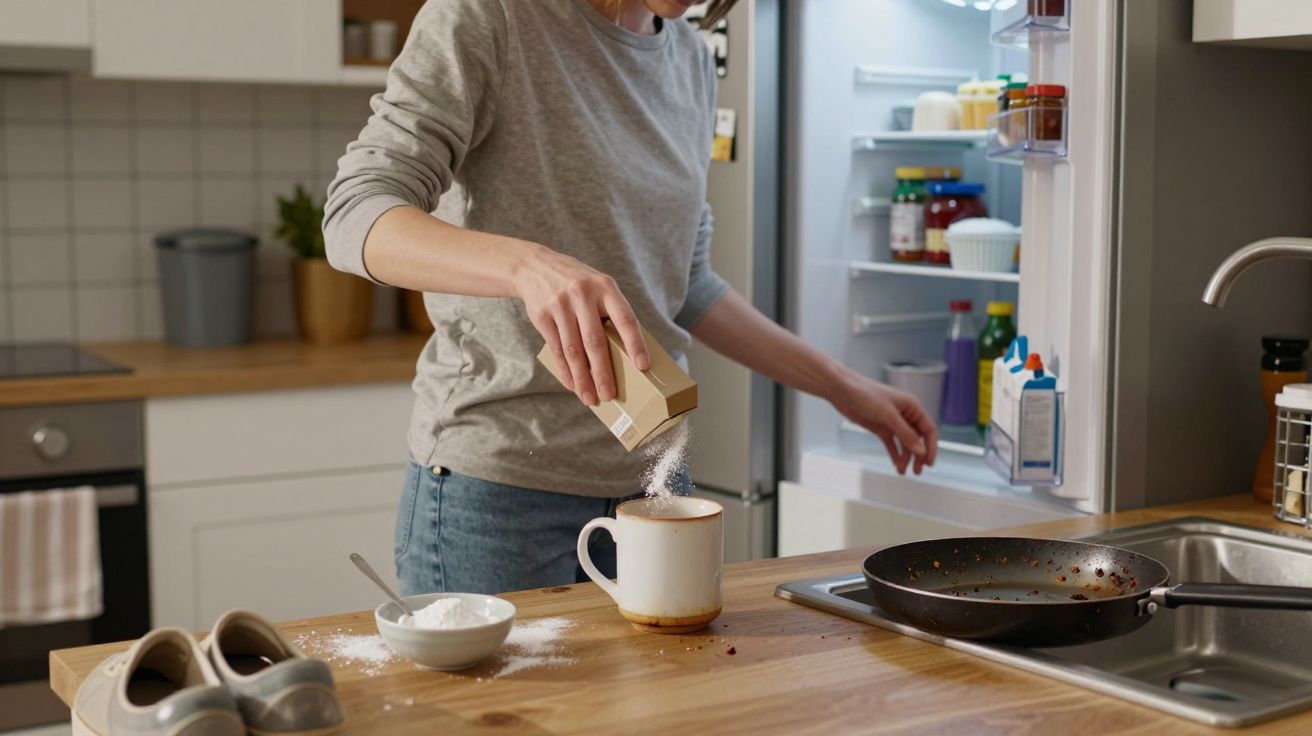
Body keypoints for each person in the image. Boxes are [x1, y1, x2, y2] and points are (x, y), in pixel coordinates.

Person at [324, 0, 938, 596]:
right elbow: (356, 214)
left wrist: (841, 386)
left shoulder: (693, 61)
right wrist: (527, 266)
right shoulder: (490, 16)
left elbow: (684, 283)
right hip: (496, 492)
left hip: (653, 484)